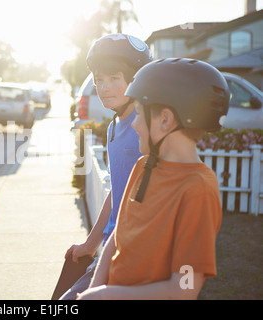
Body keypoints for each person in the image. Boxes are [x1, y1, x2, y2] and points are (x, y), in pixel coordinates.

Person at [77, 58, 230, 299]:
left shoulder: (197, 189)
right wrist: (95, 289)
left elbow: (185, 287)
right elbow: (118, 237)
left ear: (165, 120)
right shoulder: (143, 166)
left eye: (138, 113)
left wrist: (106, 295)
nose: (134, 124)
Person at [56, 34, 152, 300]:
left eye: (113, 78)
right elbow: (117, 190)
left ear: (137, 80)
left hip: (135, 253)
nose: (103, 87)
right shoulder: (113, 128)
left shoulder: (145, 127)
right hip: (111, 247)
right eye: (99, 80)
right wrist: (91, 243)